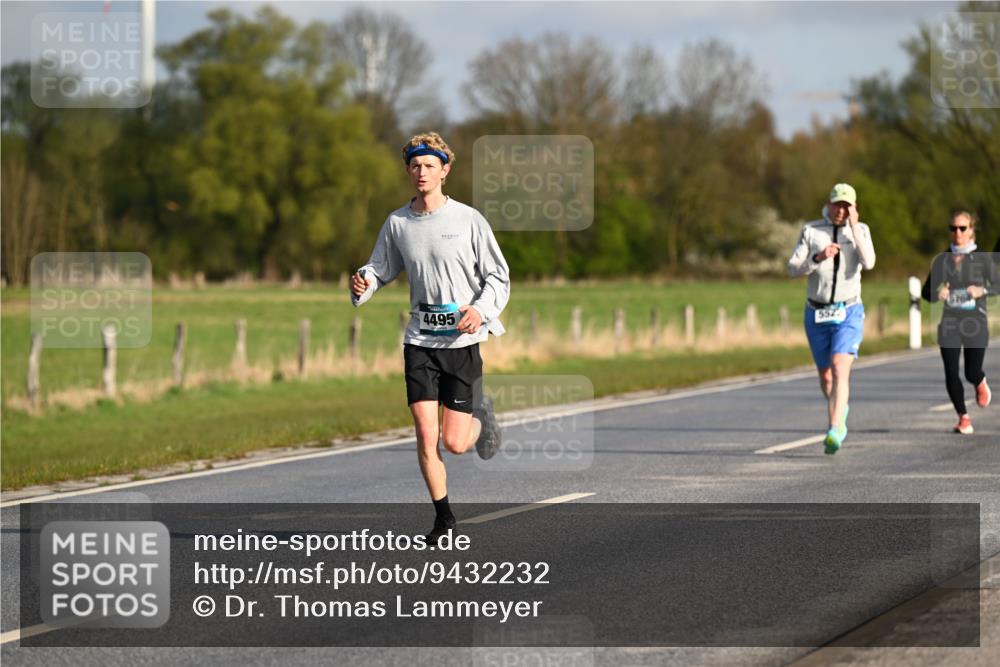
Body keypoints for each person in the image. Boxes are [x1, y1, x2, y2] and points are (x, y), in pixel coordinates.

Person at [350, 132, 511, 544]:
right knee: (426, 433)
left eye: (429, 165)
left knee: (455, 443)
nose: (422, 172)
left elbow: (498, 276)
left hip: (461, 344)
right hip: (420, 341)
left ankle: (482, 419)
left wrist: (480, 310)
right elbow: (380, 268)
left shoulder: (468, 220)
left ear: (445, 170)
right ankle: (444, 519)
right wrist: (363, 283)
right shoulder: (398, 223)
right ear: (408, 171)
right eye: (415, 166)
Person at [788, 183, 876, 454]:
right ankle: (841, 406)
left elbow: (869, 262)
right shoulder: (812, 230)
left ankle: (834, 429)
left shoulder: (860, 230)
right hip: (816, 312)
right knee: (826, 377)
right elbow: (793, 268)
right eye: (837, 204)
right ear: (828, 204)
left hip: (848, 310)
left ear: (854, 208)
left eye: (847, 206)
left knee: (840, 367)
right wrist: (817, 257)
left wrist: (854, 229)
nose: (841, 210)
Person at [921, 210, 995, 434]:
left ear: (971, 230)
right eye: (953, 228)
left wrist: (982, 290)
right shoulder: (943, 260)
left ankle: (980, 382)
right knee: (951, 372)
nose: (957, 233)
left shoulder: (982, 258)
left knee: (971, 372)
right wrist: (938, 293)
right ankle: (963, 417)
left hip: (976, 323)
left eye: (962, 228)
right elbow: (927, 292)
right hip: (950, 323)